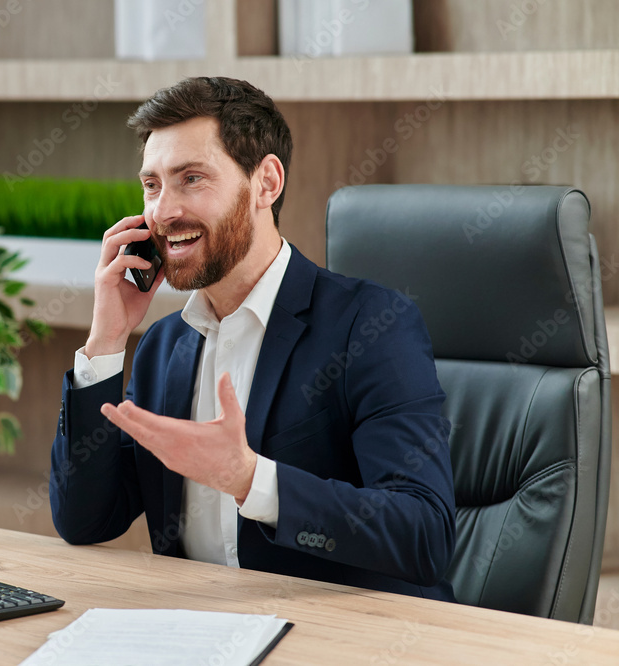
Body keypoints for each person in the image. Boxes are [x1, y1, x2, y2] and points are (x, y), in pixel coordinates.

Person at [49, 76, 457, 601]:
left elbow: (423, 536)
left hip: (337, 639)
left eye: (192, 178)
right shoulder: (162, 347)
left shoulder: (372, 325)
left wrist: (250, 480)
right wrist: (106, 341)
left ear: (266, 183)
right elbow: (85, 521)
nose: (163, 210)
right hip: (201, 633)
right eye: (152, 185)